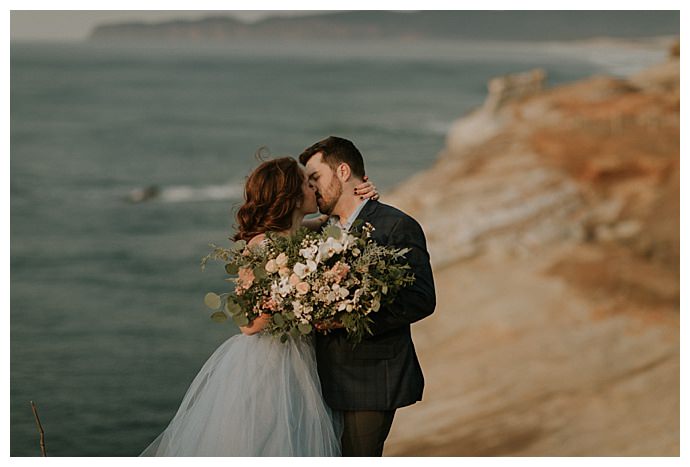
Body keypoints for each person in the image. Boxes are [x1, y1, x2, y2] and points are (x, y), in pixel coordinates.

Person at [140, 156, 379, 456]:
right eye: (308, 183)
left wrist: (361, 193)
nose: (314, 187)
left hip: (305, 358)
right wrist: (298, 304)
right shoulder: (260, 245)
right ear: (291, 197)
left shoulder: (305, 234)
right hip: (268, 363)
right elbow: (247, 323)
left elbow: (339, 218)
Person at [299, 136, 436, 457]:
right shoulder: (317, 231)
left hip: (369, 379)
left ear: (343, 171)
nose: (311, 189)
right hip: (316, 378)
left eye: (315, 178)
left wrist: (348, 317)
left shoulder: (396, 225)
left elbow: (421, 299)